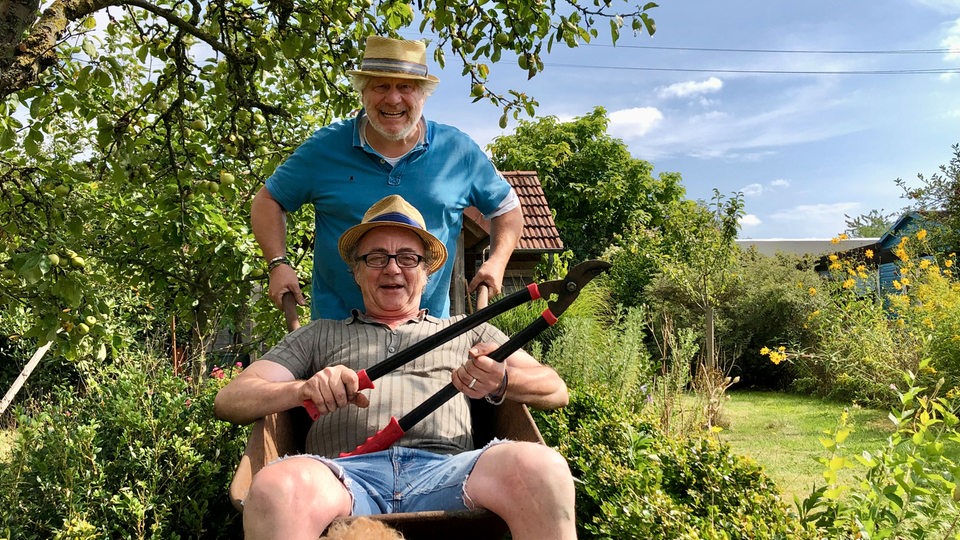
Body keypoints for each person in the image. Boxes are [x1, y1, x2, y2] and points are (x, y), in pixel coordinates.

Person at [216, 195, 575, 540]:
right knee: (276, 487)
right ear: (356, 272)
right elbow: (232, 399)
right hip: (343, 475)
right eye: (376, 258)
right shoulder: (319, 334)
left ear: (427, 272)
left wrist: (502, 380)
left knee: (542, 470)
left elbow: (555, 388)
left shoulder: (469, 329)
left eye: (407, 258)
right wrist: (303, 389)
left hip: (450, 471)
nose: (392, 268)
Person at [252, 35, 524, 321]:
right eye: (381, 86)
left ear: (422, 94)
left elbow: (507, 208)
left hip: (427, 332)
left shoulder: (456, 151)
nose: (393, 99)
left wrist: (497, 262)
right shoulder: (325, 149)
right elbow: (269, 199)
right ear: (363, 93)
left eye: (405, 87)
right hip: (335, 330)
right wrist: (278, 263)